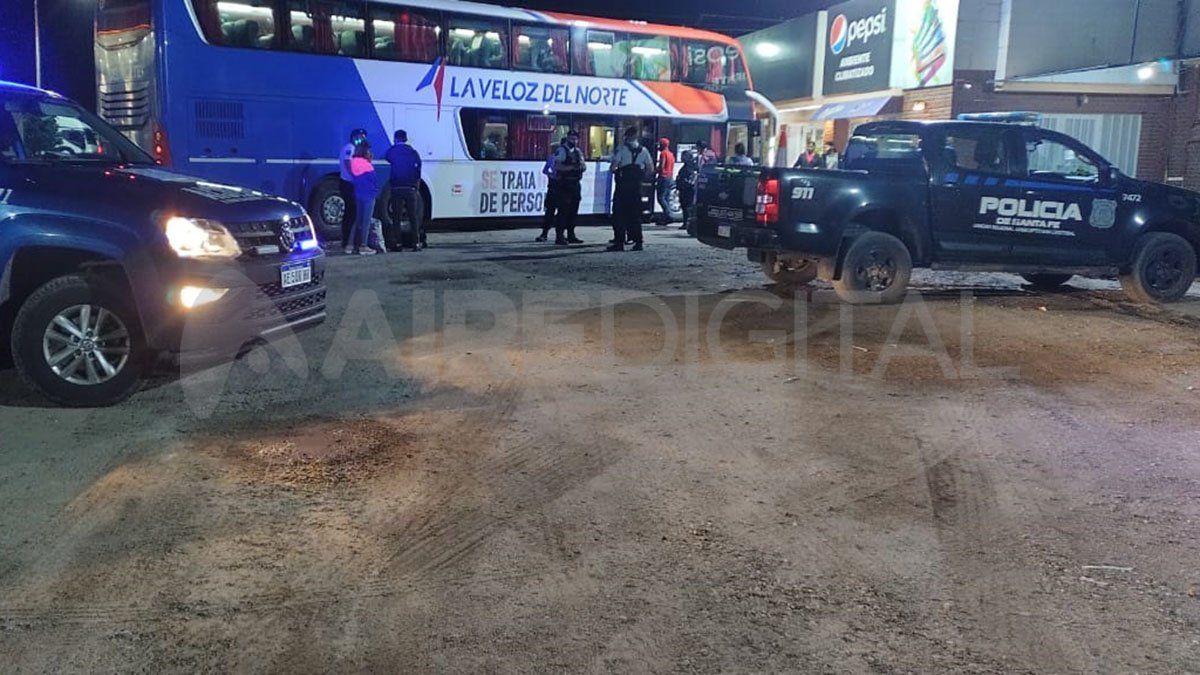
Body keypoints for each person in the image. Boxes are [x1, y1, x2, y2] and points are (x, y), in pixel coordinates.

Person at [608, 127, 653, 252]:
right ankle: (638, 242)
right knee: (635, 216)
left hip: (623, 187)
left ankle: (619, 242)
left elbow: (613, 167)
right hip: (636, 187)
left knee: (619, 215)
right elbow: (650, 169)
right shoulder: (644, 150)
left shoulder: (622, 149)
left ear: (627, 136)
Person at [384, 129, 424, 251]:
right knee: (413, 216)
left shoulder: (392, 151)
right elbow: (418, 169)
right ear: (405, 139)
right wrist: (416, 186)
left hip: (397, 187)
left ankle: (398, 243)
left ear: (395, 139)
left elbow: (387, 157)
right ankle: (416, 243)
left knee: (396, 217)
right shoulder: (413, 152)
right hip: (410, 188)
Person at [553, 129, 587, 245]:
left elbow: (583, 166)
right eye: (572, 138)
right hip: (564, 184)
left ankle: (571, 235)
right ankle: (559, 236)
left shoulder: (578, 151)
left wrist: (580, 167)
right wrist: (571, 168)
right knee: (563, 211)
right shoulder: (562, 150)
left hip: (575, 184)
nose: (574, 141)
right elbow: (557, 166)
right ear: (567, 138)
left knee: (573, 211)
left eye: (575, 139)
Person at [349, 142, 380, 256]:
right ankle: (363, 246)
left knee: (358, 220)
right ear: (365, 151)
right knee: (366, 221)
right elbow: (373, 180)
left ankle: (350, 245)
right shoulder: (367, 165)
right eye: (369, 151)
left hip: (358, 193)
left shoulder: (353, 161)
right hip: (368, 194)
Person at [339, 128, 367, 254]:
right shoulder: (350, 148)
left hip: (349, 184)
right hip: (349, 184)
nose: (362, 140)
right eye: (360, 137)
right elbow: (348, 163)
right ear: (354, 137)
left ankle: (348, 241)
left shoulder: (354, 148)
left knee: (350, 213)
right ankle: (348, 242)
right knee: (352, 214)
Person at [536, 150, 558, 242]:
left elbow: (545, 170)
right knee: (551, 210)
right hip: (555, 185)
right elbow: (545, 170)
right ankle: (545, 233)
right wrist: (552, 175)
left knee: (552, 211)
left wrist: (551, 175)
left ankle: (547, 234)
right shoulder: (553, 157)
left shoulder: (553, 157)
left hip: (557, 184)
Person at [655, 138, 677, 225]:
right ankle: (666, 217)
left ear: (662, 145)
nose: (658, 147)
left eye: (659, 145)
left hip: (663, 177)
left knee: (660, 198)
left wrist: (654, 171)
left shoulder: (663, 154)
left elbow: (661, 166)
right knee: (666, 198)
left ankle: (668, 215)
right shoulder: (671, 154)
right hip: (670, 177)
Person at [675, 150, 699, 231]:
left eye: (683, 156)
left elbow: (690, 177)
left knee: (687, 207)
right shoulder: (689, 165)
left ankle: (687, 223)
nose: (681, 158)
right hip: (685, 189)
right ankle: (686, 223)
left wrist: (683, 181)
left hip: (687, 190)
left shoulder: (689, 166)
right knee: (685, 206)